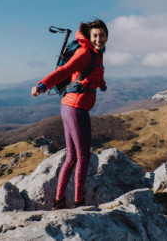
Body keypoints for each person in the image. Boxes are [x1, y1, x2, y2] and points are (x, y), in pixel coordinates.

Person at [31, 19, 108, 209]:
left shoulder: (97, 54)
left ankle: (59, 201)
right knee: (83, 157)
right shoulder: (85, 53)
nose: (99, 39)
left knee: (72, 157)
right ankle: (79, 201)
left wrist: (101, 84)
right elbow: (64, 70)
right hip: (76, 107)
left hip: (69, 106)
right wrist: (42, 85)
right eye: (96, 36)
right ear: (90, 38)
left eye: (102, 35)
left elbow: (92, 73)